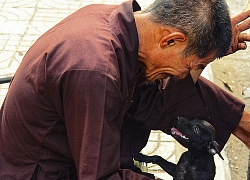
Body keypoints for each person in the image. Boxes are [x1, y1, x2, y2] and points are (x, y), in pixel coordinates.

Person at [0, 0, 250, 179]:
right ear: (170, 40)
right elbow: (99, 174)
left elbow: (153, 101)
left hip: (68, 150)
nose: (185, 74)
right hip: (41, 171)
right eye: (195, 65)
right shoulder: (96, 70)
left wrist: (208, 46)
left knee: (170, 86)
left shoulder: (115, 23)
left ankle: (244, 124)